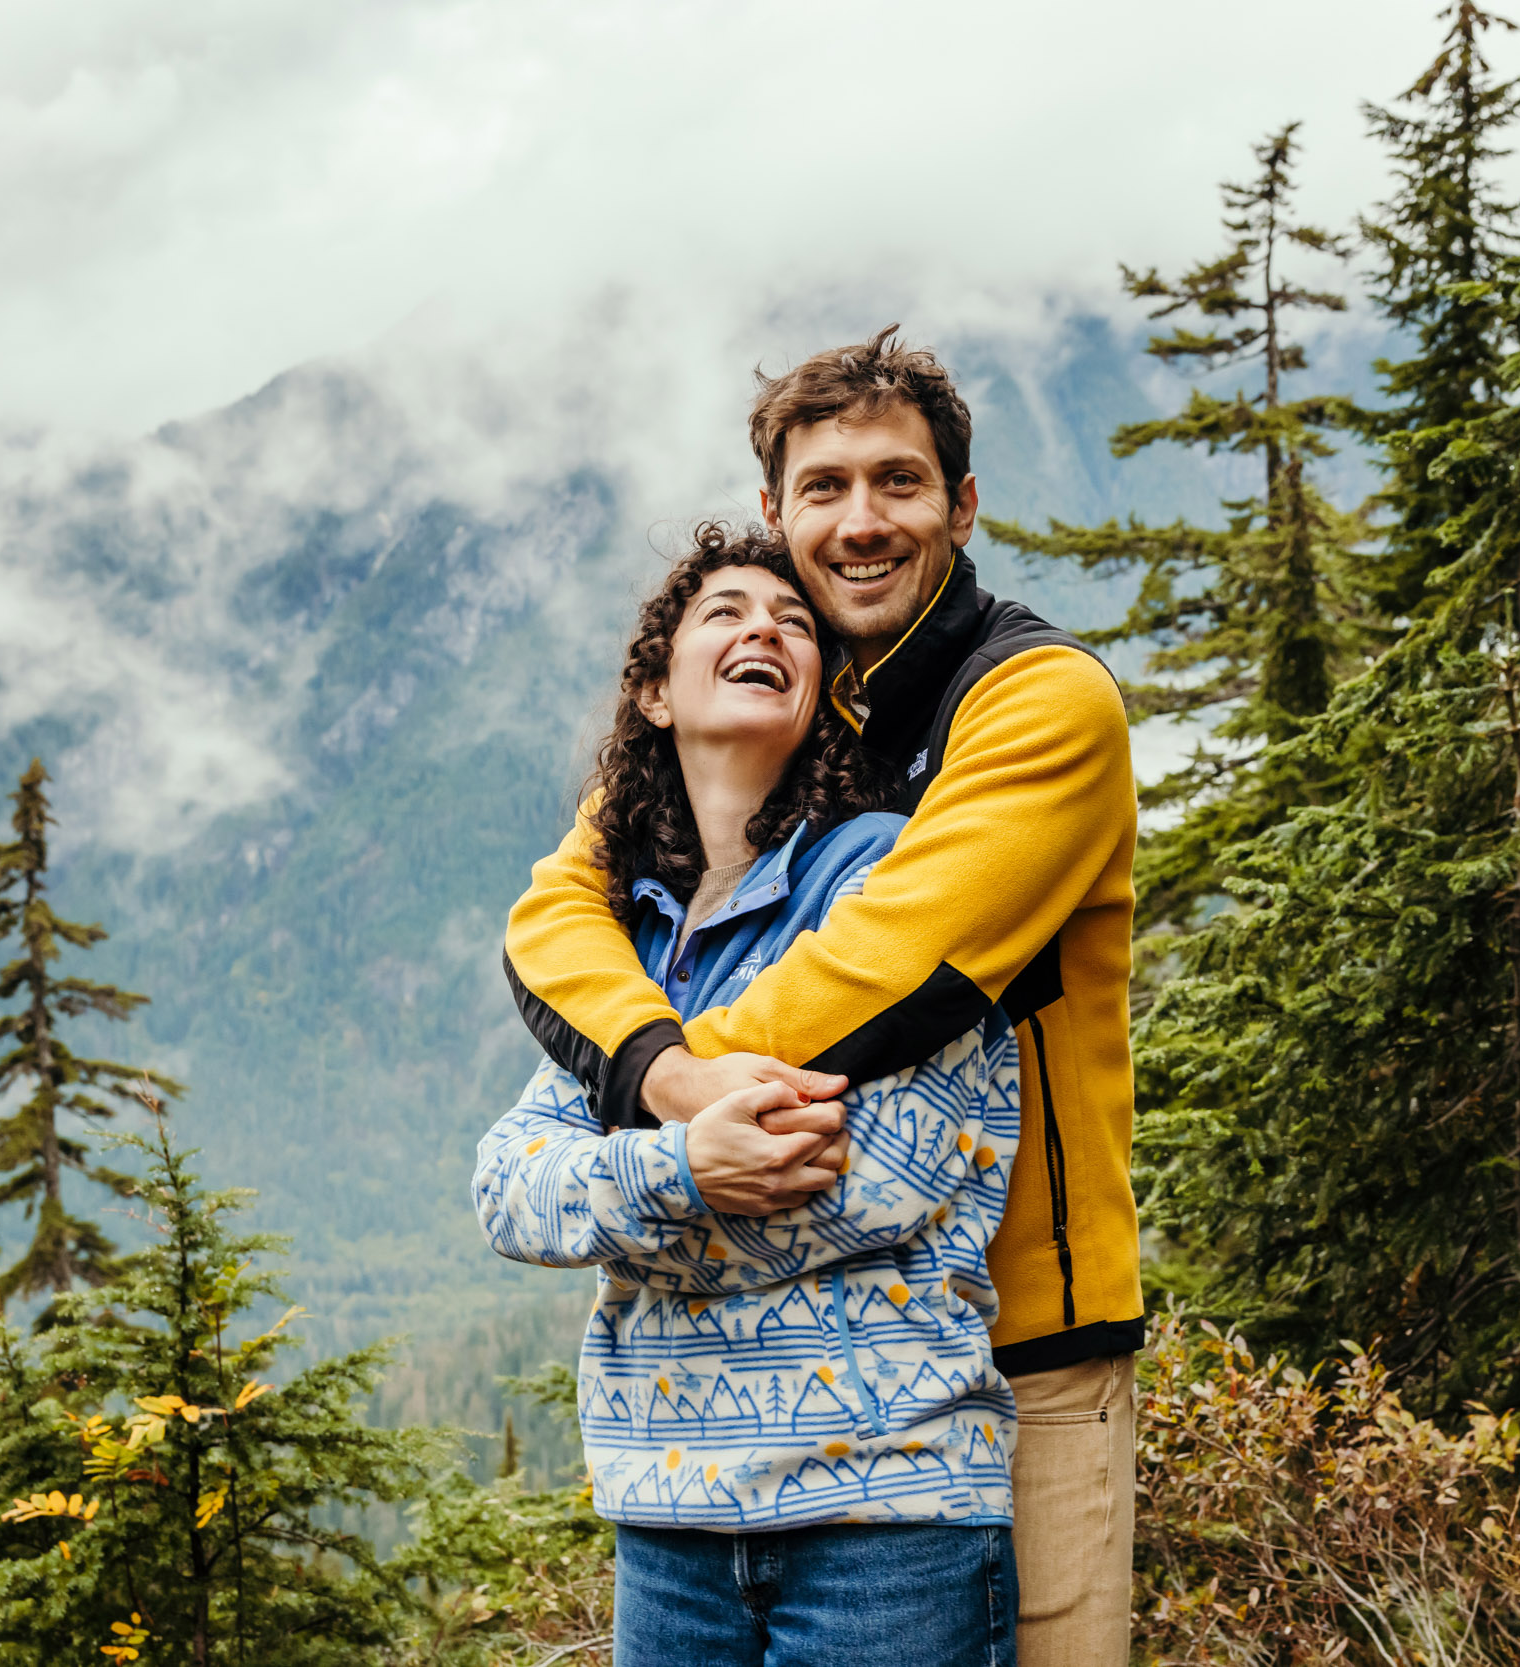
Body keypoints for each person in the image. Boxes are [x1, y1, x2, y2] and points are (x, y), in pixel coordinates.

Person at [504, 327, 1141, 1664]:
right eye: (826, 488)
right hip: (743, 1439)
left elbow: (885, 977)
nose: (863, 520)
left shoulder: (1035, 700)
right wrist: (675, 1105)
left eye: (900, 483)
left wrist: (625, 1141)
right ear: (779, 518)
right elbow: (557, 913)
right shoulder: (788, 714)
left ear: (962, 509)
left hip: (1021, 1345)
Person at [476, 525, 1022, 1667]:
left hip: (885, 1514)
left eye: (790, 621)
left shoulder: (885, 876)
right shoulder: (623, 942)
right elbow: (507, 1186)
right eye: (723, 611)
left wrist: (619, 1201)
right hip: (667, 1526)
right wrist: (683, 1163)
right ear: (654, 692)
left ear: (824, 693)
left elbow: (876, 1181)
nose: (763, 627)